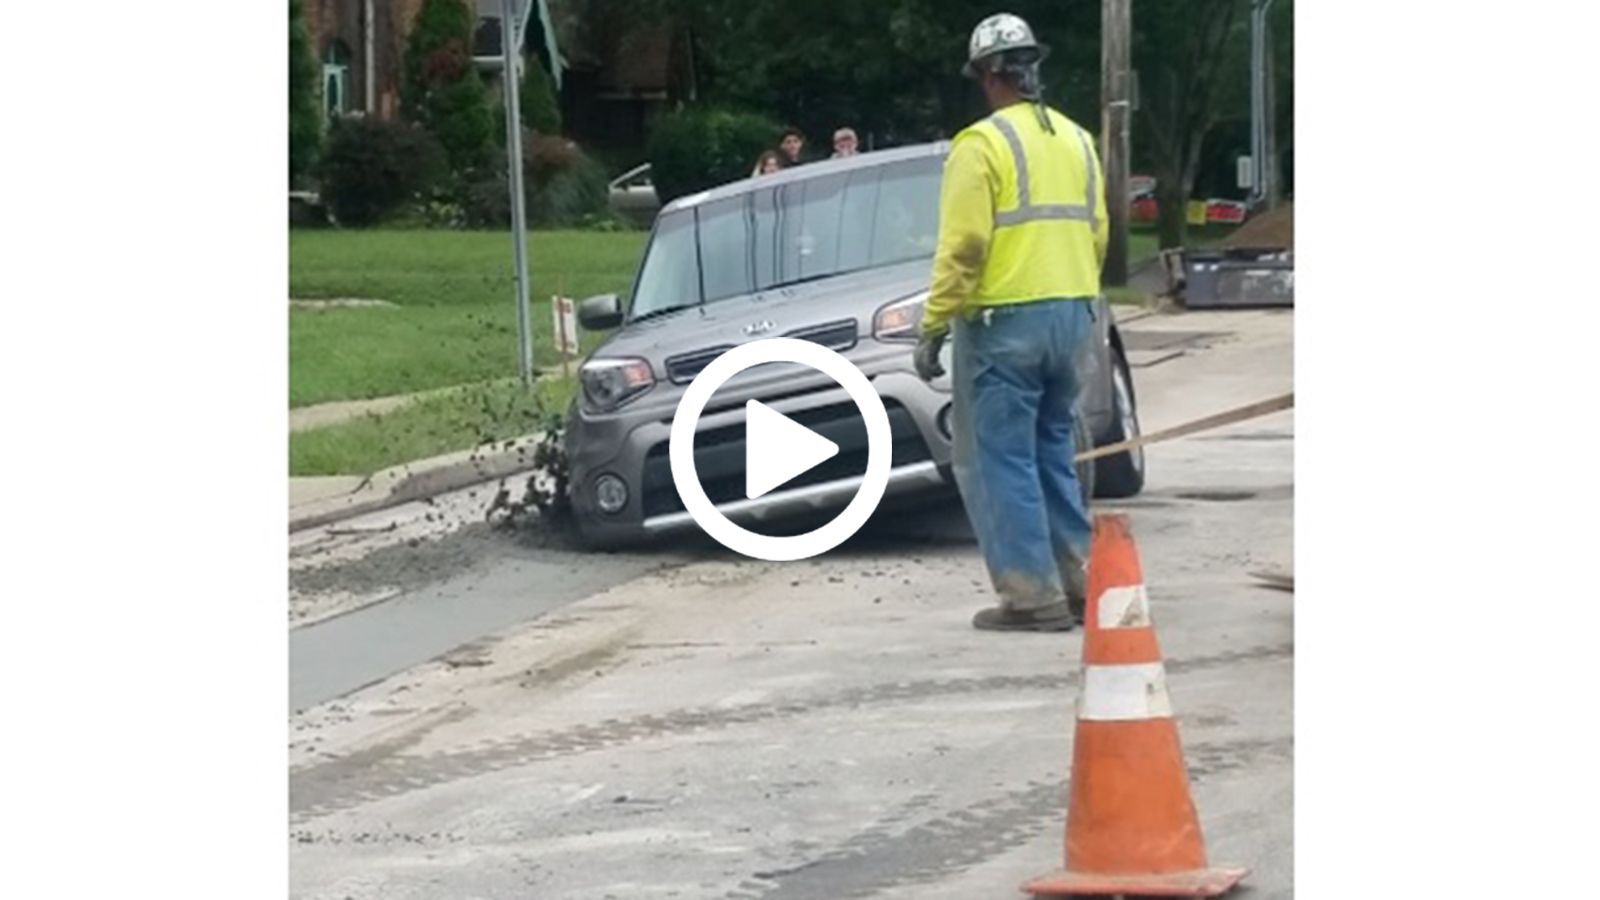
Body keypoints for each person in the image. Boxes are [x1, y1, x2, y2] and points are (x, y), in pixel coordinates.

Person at [913, 13, 1109, 633]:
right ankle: (1081, 582)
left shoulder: (982, 145)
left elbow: (966, 244)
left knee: (999, 460)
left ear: (988, 76)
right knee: (1053, 447)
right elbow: (1098, 231)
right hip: (1073, 311)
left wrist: (935, 322)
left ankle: (1031, 596)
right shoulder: (1078, 140)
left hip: (1005, 323)